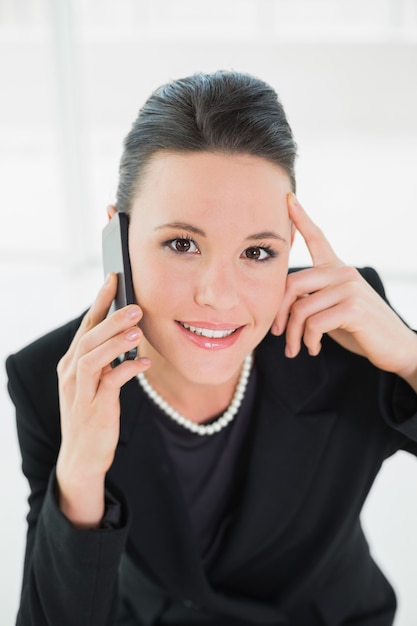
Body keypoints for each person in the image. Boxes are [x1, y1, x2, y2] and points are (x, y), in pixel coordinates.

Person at [6, 70, 417, 626]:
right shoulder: (52, 378)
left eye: (257, 253)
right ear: (118, 242)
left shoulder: (347, 334)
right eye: (181, 244)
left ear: (289, 248)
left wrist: (412, 359)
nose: (217, 296)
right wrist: (80, 473)